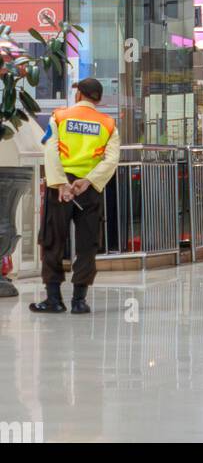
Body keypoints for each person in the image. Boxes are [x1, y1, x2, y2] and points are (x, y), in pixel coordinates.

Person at [30, 77, 120, 315]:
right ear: (98, 98)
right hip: (88, 189)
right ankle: (79, 301)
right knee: (87, 243)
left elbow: (51, 150)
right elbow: (111, 160)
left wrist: (60, 184)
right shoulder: (108, 124)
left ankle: (53, 299)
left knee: (52, 240)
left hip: (60, 188)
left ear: (79, 94)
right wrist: (88, 180)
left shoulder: (60, 117)